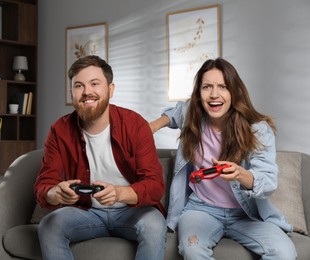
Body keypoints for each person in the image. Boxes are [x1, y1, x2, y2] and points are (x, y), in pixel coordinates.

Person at [150, 58, 297, 259]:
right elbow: (176, 112)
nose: (214, 94)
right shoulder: (192, 116)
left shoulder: (258, 130)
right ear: (199, 95)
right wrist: (152, 126)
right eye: (207, 87)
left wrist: (241, 175)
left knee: (284, 252)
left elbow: (268, 181)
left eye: (223, 87)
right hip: (200, 209)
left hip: (246, 214)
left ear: (234, 92)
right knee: (192, 248)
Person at [35, 55, 167, 260]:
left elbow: (155, 185)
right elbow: (45, 184)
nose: (87, 92)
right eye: (79, 86)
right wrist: (56, 193)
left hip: (133, 212)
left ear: (110, 89)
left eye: (94, 84)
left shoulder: (135, 125)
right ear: (72, 92)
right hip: (85, 211)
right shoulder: (59, 130)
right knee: (49, 226)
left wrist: (119, 193)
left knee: (154, 225)